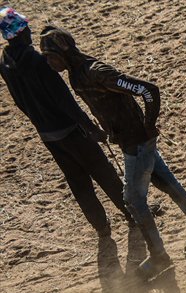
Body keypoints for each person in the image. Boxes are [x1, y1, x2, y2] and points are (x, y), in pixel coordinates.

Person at [39, 25, 186, 279]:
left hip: (137, 143)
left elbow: (148, 90)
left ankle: (159, 258)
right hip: (131, 141)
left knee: (133, 201)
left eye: (50, 56)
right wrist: (106, 128)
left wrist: (147, 124)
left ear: (63, 52)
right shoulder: (77, 75)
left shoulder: (96, 72)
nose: (49, 62)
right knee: (167, 183)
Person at [0, 8, 128, 240]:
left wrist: (40, 122)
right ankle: (132, 213)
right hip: (70, 129)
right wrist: (91, 128)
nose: (30, 32)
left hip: (48, 134)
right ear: (20, 33)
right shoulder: (38, 62)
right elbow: (65, 100)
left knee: (77, 181)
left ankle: (101, 227)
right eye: (26, 28)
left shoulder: (5, 62)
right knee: (103, 171)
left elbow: (20, 102)